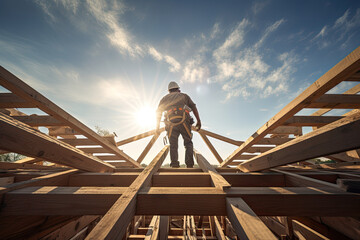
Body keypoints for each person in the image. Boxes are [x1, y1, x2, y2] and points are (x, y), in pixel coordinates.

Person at [156, 81, 201, 168]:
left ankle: (174, 165)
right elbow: (193, 107)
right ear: (178, 90)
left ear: (169, 91)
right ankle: (189, 165)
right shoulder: (184, 96)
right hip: (184, 121)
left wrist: (157, 127)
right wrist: (198, 121)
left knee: (173, 145)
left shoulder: (164, 98)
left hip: (171, 123)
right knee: (188, 143)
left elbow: (158, 112)